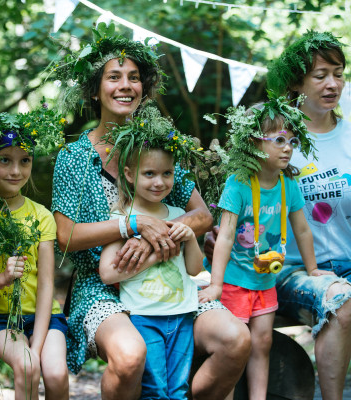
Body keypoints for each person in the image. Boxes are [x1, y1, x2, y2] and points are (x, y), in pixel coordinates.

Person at [51, 23, 251, 400]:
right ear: (95, 90)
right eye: (114, 77)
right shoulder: (73, 157)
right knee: (130, 357)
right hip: (103, 285)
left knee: (236, 340)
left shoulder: (158, 144)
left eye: (134, 78)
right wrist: (134, 224)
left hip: (170, 276)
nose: (126, 85)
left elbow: (202, 215)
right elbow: (67, 236)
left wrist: (156, 242)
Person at [207, 31, 351, 400]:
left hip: (347, 263)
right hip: (283, 270)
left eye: (339, 73)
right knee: (338, 297)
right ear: (298, 83)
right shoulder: (275, 137)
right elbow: (239, 204)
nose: (333, 83)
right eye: (320, 74)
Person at [199, 96, 322, 399]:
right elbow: (225, 236)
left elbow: (302, 229)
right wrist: (215, 285)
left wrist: (313, 268)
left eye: (292, 140)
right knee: (233, 346)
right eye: (279, 139)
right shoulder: (237, 184)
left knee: (262, 342)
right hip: (234, 282)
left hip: (265, 278)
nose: (288, 147)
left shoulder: (288, 185)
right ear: (254, 143)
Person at [98, 105, 204, 399]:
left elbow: (196, 269)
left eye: (167, 173)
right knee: (155, 390)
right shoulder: (122, 218)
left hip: (182, 313)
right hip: (144, 315)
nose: (159, 182)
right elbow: (107, 273)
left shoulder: (180, 213)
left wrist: (190, 238)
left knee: (180, 390)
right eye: (150, 174)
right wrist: (157, 252)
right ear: (130, 174)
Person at [0, 110, 69, 400]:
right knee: (26, 367)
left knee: (55, 373)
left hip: (44, 316)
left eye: (25, 161)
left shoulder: (42, 215)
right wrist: (2, 279)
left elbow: (47, 284)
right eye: (5, 160)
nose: (16, 170)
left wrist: (36, 346)